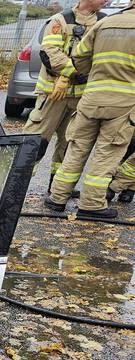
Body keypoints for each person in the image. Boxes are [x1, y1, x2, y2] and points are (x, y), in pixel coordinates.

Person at [46, 4, 135, 219]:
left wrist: (94, 75)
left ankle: (57, 198)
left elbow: (79, 57)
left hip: (91, 98)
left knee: (76, 149)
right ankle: (92, 205)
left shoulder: (104, 23)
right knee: (107, 154)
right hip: (123, 102)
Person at [23, 0, 108, 190]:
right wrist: (74, 73)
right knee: (35, 140)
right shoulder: (61, 20)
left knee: (69, 144)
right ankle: (16, 184)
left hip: (81, 98)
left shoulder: (103, 21)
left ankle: (58, 189)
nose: (107, 1)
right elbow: (50, 52)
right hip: (53, 94)